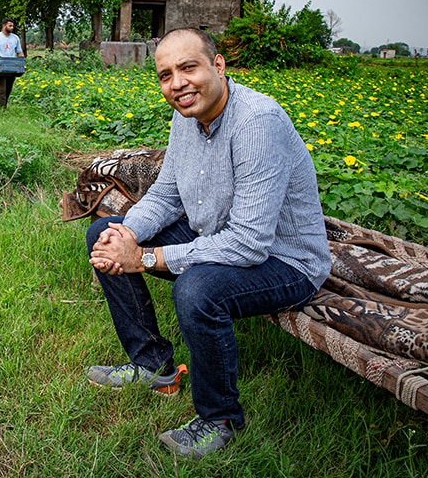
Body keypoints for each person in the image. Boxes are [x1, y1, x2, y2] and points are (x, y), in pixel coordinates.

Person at [85, 27, 331, 459]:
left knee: (196, 289)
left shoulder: (257, 122)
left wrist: (144, 257)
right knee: (102, 232)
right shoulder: (187, 117)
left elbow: (251, 244)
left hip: (284, 260)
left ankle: (220, 419)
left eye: (188, 67)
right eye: (165, 75)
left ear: (218, 66)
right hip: (218, 236)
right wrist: (127, 235)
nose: (176, 83)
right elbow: (166, 195)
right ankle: (151, 364)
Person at [0, 17, 24, 108]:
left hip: (12, 66)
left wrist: (21, 59)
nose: (12, 27)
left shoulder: (15, 38)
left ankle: (4, 105)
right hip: (0, 66)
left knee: (9, 88)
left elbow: (19, 51)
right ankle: (2, 108)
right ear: (4, 26)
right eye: (10, 26)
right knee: (1, 89)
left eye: (12, 26)